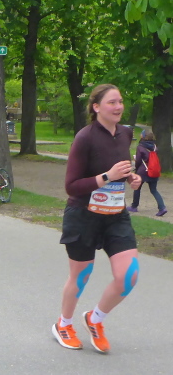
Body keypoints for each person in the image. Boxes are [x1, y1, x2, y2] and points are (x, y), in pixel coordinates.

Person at [52, 84, 141, 353]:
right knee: (81, 275)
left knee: (129, 275)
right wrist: (107, 177)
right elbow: (72, 186)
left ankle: (95, 318)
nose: (118, 107)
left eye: (120, 101)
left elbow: (118, 168)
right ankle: (64, 324)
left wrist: (130, 177)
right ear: (96, 107)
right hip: (83, 215)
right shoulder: (85, 138)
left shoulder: (125, 133)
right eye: (112, 102)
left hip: (115, 215)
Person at [129, 129, 166, 216]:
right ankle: (162, 208)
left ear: (143, 136)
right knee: (154, 190)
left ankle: (134, 206)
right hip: (153, 170)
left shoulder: (140, 147)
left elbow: (138, 160)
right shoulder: (155, 147)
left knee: (137, 188)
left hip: (143, 171)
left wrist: (136, 168)